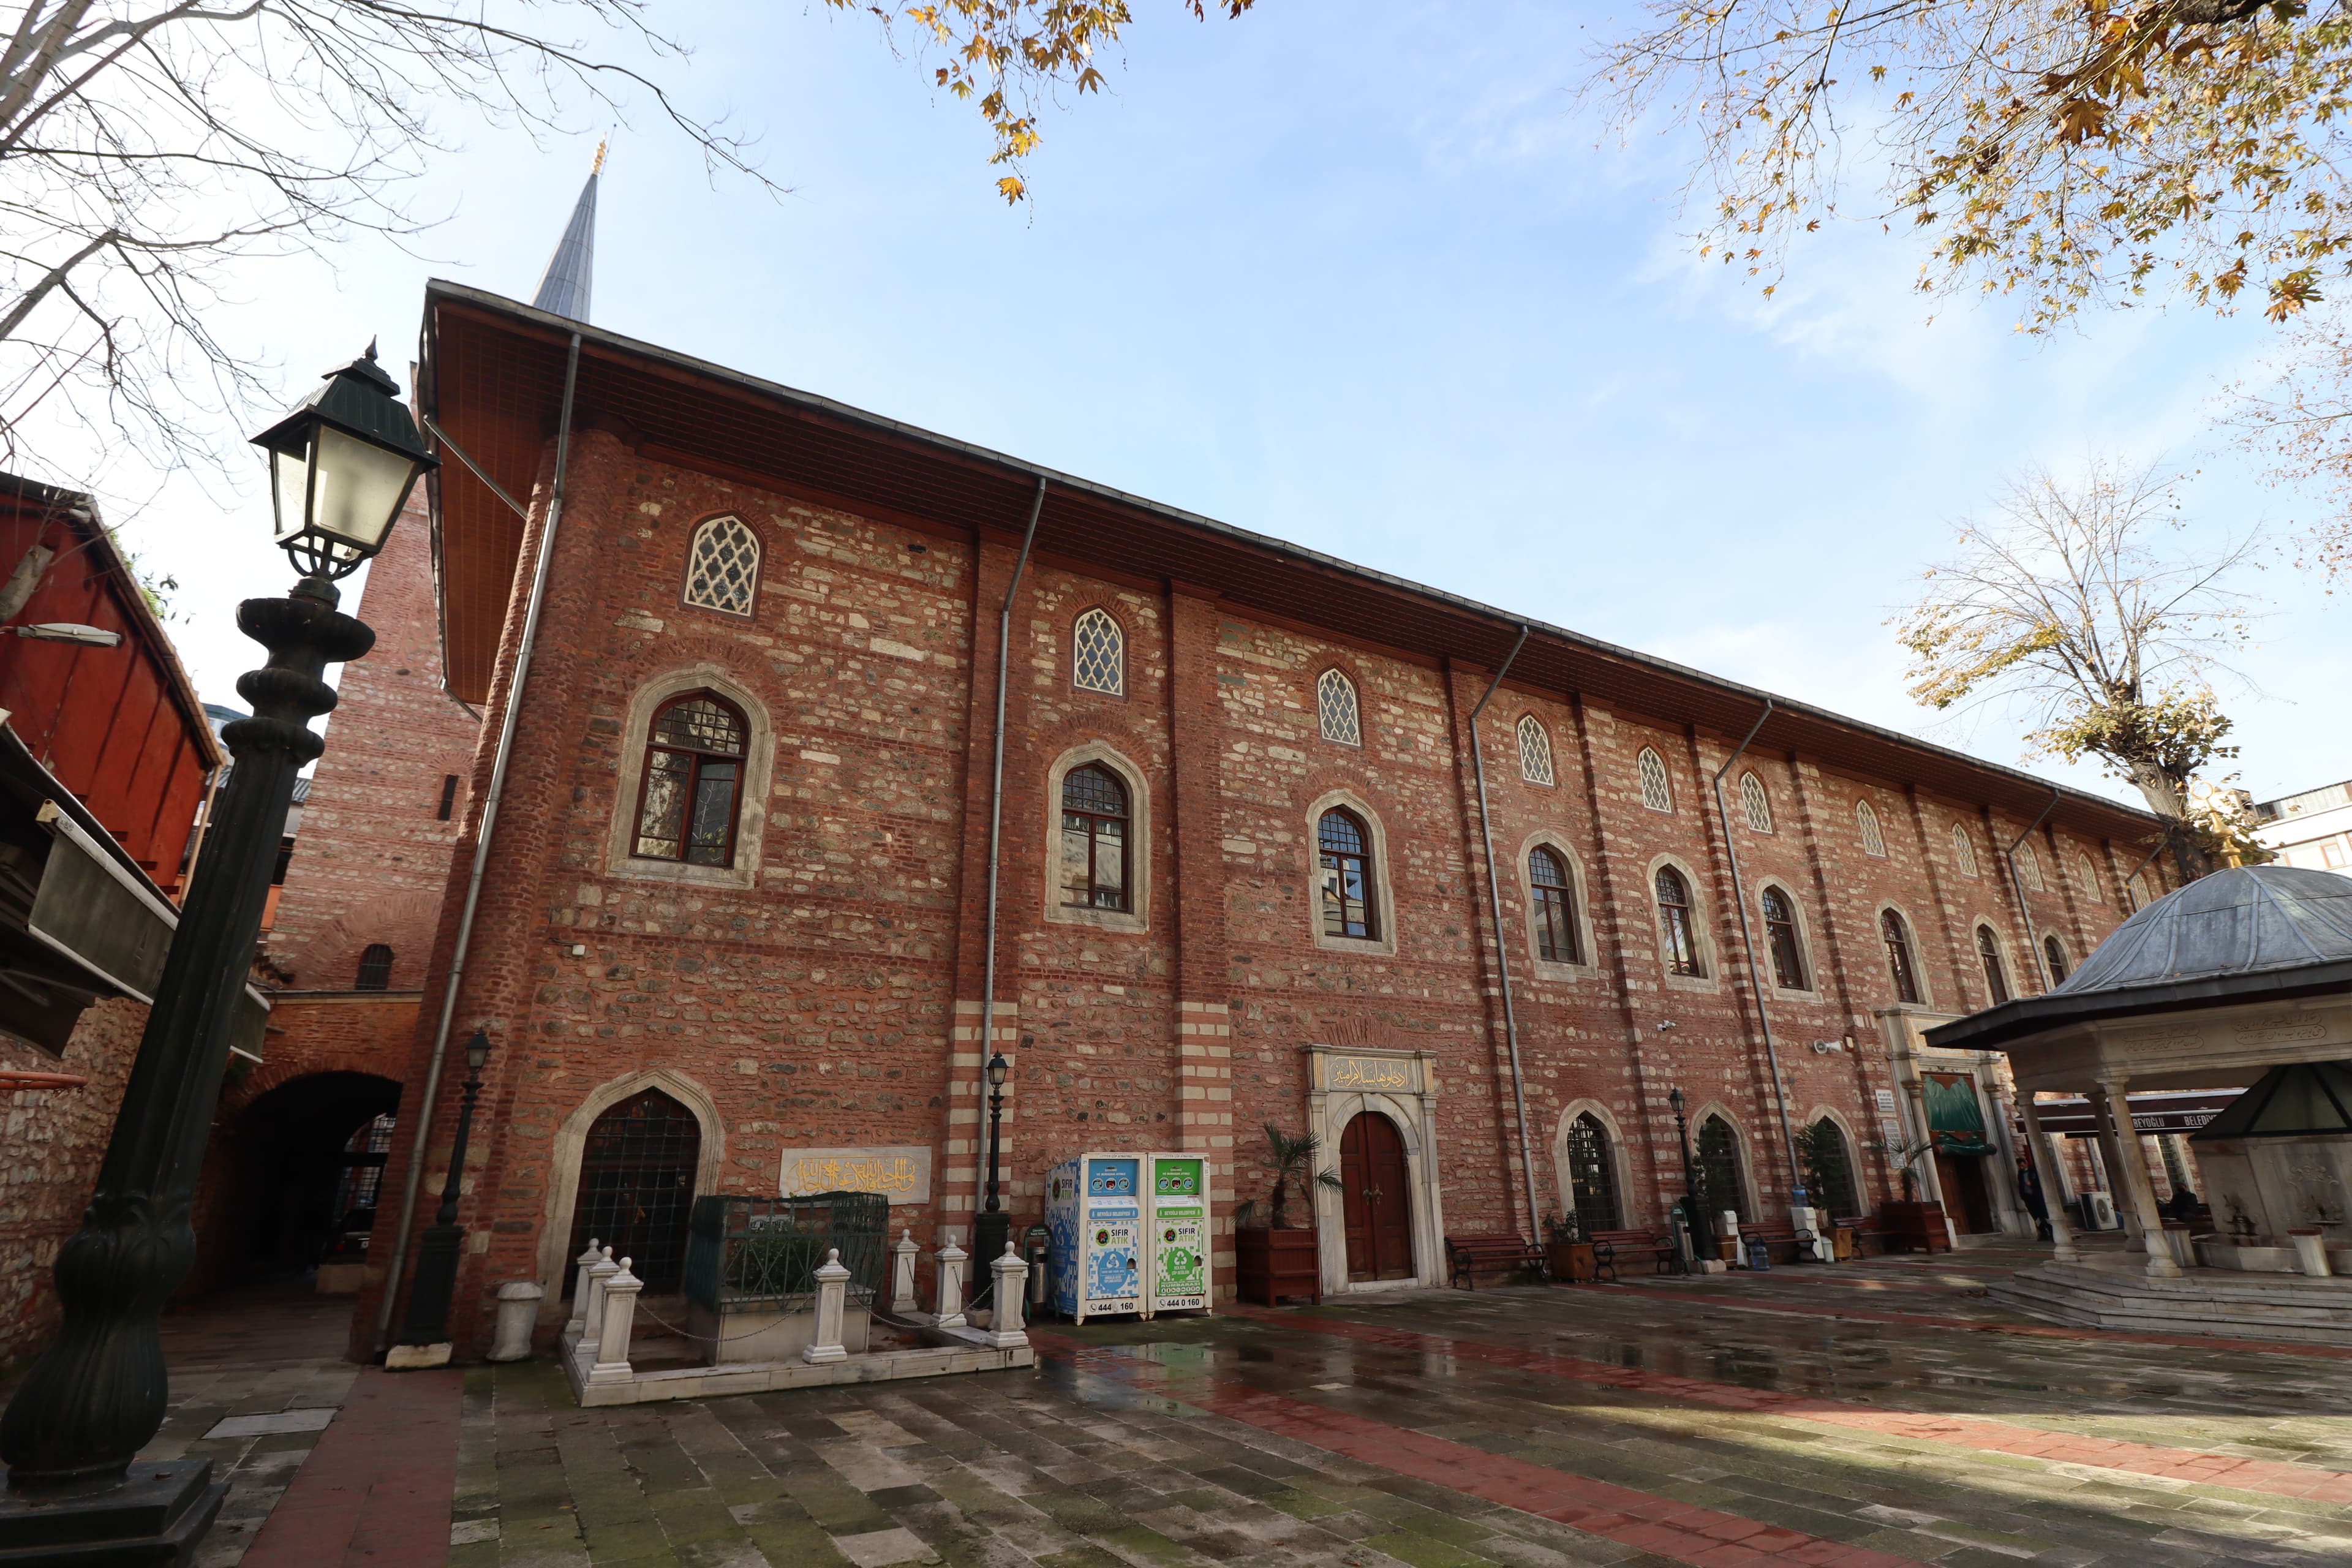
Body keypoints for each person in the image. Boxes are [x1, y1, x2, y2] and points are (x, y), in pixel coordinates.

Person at [2015, 1153, 2051, 1242]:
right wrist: (2023, 1195)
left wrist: (2032, 1184)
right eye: (2020, 1166)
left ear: (2026, 1163)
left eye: (2022, 1166)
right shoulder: (2020, 1173)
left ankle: (2051, 1231)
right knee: (2036, 1217)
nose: (2021, 1168)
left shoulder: (2033, 1171)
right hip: (2029, 1199)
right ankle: (2043, 1232)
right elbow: (2021, 1184)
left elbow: (2041, 1182)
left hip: (2037, 1197)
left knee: (2044, 1215)